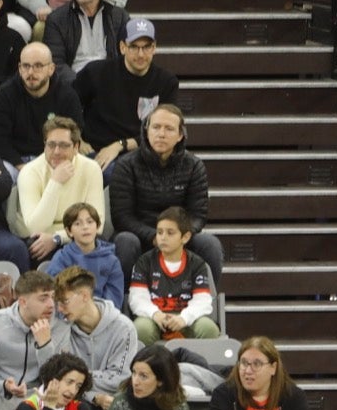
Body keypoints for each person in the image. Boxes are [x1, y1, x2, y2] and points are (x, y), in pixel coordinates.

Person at [107, 106, 222, 283]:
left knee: (210, 244)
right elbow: (122, 217)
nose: (161, 134)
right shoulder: (126, 165)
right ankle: (124, 301)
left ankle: (207, 301)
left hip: (179, 236)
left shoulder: (194, 165)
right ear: (146, 131)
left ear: (180, 135)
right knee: (125, 241)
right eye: (156, 127)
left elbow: (198, 215)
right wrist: (155, 236)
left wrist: (176, 236)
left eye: (169, 129)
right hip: (139, 235)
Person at [77, 20, 180, 173]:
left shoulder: (166, 82)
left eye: (146, 47)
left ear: (154, 48)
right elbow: (67, 106)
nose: (140, 54)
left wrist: (119, 146)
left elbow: (165, 128)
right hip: (96, 152)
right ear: (122, 47)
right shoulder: (96, 73)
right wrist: (77, 139)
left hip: (141, 153)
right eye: (134, 47)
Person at [0, 270, 69, 410]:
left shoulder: (60, 328)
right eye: (43, 298)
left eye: (52, 297)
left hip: (38, 397)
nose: (51, 305)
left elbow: (56, 381)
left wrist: (45, 345)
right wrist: (4, 386)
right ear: (23, 302)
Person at [15, 122, 103, 265]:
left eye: (63, 145)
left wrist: (58, 238)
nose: (56, 151)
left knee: (96, 241)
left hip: (76, 234)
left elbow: (97, 223)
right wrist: (55, 182)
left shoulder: (91, 169)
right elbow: (36, 227)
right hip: (41, 237)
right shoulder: (29, 172)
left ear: (76, 147)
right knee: (36, 245)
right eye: (51, 145)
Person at [52, 266, 139, 410]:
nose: (60, 309)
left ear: (85, 296)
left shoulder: (124, 328)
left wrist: (76, 378)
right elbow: (59, 379)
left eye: (64, 301)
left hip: (113, 403)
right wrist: (94, 397)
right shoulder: (62, 327)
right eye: (57, 303)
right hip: (73, 403)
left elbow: (120, 379)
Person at [128, 208, 219, 345]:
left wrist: (184, 318)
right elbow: (137, 297)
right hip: (154, 318)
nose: (163, 237)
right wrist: (155, 314)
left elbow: (203, 300)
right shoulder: (144, 261)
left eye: (170, 233)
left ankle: (198, 365)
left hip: (186, 319)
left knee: (209, 329)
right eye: (159, 232)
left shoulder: (197, 264)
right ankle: (147, 366)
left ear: (185, 237)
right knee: (141, 329)